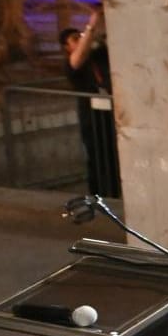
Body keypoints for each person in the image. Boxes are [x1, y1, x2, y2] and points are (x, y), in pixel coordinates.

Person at [62, 10, 121, 198]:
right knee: (97, 156)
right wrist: (91, 26)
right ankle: (99, 195)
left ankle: (115, 192)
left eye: (80, 36)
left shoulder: (97, 55)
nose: (80, 39)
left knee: (114, 156)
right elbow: (77, 59)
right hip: (91, 117)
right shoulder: (73, 63)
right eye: (74, 39)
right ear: (66, 47)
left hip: (110, 114)